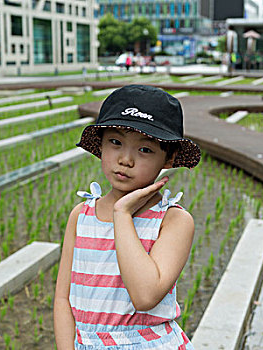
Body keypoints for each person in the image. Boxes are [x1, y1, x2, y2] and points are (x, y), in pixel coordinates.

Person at [54, 85, 201, 349]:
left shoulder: (173, 221)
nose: (125, 159)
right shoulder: (82, 216)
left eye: (145, 150)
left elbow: (145, 296)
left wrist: (122, 214)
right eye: (116, 142)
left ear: (169, 158)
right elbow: (64, 299)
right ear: (100, 144)